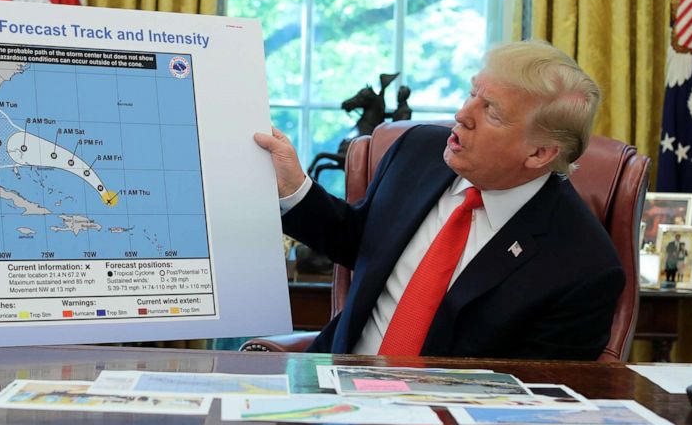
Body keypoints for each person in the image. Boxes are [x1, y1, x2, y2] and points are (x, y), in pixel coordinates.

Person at [254, 40, 625, 360]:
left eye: (491, 111)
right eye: (472, 93)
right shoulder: (418, 151)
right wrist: (294, 187)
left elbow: (534, 401)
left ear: (540, 153)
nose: (462, 115)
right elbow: (358, 241)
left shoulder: (584, 266)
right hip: (336, 388)